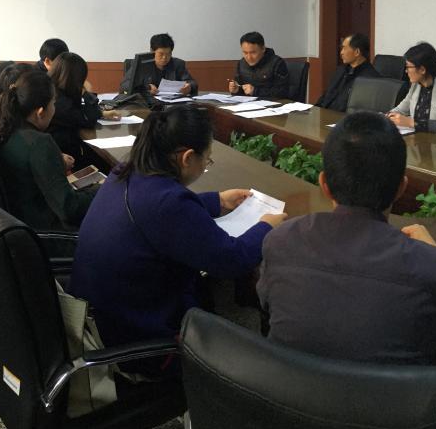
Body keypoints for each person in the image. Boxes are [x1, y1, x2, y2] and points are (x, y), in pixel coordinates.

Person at [68, 104, 286, 373]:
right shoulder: (168, 204)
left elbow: (162, 211)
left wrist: (217, 201)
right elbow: (233, 259)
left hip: (98, 315)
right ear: (187, 158)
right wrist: (267, 226)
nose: (206, 165)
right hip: (136, 340)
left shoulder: (127, 171)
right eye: (207, 160)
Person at [258, 111, 436, 367]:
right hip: (394, 393)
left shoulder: (279, 242)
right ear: (401, 188)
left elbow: (267, 305)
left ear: (324, 184)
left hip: (287, 389)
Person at [0, 70, 95, 230]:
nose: (54, 108)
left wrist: (55, 163)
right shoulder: (40, 143)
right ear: (40, 112)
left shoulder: (4, 127)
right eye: (53, 103)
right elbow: (69, 209)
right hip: (49, 231)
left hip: (21, 222)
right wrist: (104, 192)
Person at [47, 52, 120, 167]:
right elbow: (88, 120)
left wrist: (102, 113)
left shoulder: (55, 90)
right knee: (105, 164)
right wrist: (87, 93)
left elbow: (80, 113)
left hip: (65, 147)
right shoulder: (59, 101)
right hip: (65, 156)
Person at [387, 42, 436, 134]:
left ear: (422, 69)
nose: (406, 71)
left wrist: (411, 122)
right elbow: (400, 110)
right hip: (419, 139)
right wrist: (386, 117)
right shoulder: (415, 86)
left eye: (408, 67)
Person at [315, 34, 380, 112]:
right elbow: (326, 95)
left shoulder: (370, 78)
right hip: (324, 114)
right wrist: (314, 110)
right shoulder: (341, 70)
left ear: (357, 52)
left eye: (344, 48)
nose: (341, 52)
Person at [119, 33, 198, 96]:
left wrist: (189, 87)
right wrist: (147, 88)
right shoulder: (141, 64)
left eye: (168, 54)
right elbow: (125, 85)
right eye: (161, 54)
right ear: (152, 51)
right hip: (146, 104)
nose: (164, 57)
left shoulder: (178, 64)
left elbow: (192, 82)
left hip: (171, 105)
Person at [229, 31, 289, 99]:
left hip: (272, 104)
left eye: (253, 53)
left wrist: (255, 91)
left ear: (263, 49)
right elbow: (240, 87)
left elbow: (282, 92)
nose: (249, 57)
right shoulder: (241, 64)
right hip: (248, 103)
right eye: (245, 53)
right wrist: (236, 90)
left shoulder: (277, 63)